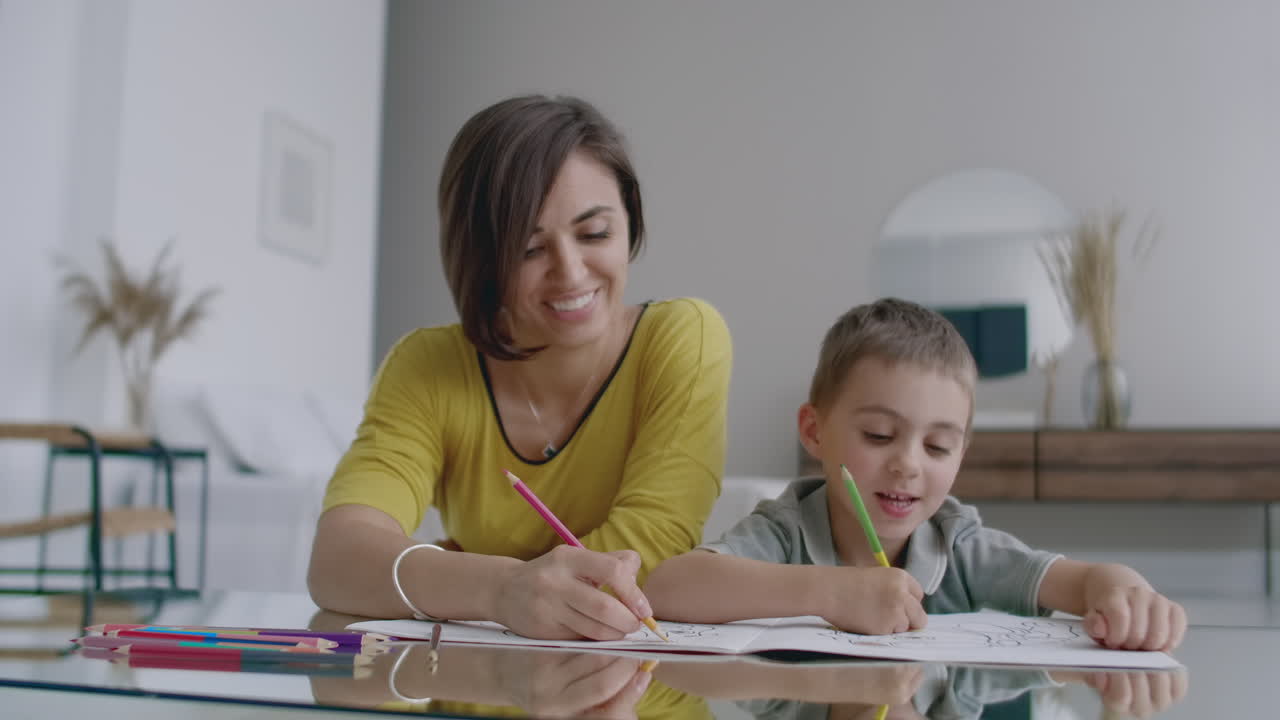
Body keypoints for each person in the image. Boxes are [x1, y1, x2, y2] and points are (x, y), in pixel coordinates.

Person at [308, 95, 732, 641]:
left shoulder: (684, 338)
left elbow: (649, 550)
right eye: (530, 249)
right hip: (479, 684)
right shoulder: (427, 365)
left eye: (595, 233)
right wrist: (499, 590)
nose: (572, 272)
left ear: (629, 220)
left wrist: (454, 579)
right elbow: (338, 558)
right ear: (481, 259)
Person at [645, 298, 1185, 652]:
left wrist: (1125, 592)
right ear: (813, 431)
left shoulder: (958, 543)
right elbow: (669, 587)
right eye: (879, 435)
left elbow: (1086, 580)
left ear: (962, 453)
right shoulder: (786, 529)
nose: (907, 464)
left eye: (938, 445)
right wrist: (832, 593)